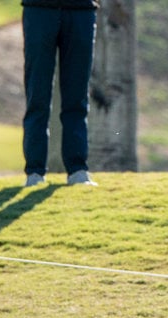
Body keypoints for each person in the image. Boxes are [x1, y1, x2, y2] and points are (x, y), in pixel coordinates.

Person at [21, 0, 99, 187]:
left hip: (81, 12)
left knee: (77, 97)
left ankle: (78, 170)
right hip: (39, 10)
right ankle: (34, 172)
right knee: (37, 97)